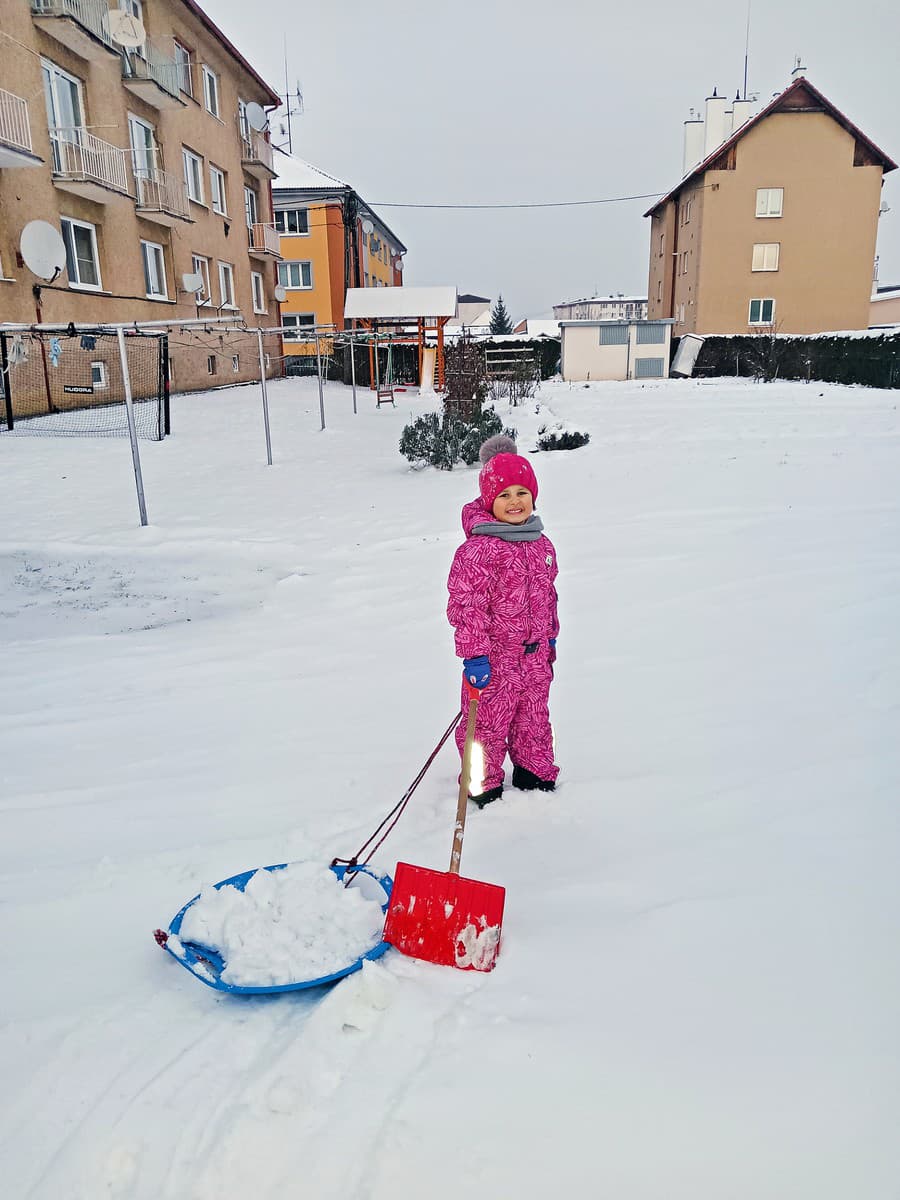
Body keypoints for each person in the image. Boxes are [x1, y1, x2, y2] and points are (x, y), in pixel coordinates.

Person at [447, 435, 560, 807]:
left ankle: (534, 772)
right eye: (504, 495)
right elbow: (467, 607)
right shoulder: (478, 551)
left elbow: (548, 598)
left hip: (534, 658)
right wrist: (474, 655)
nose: (514, 502)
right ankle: (483, 782)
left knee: (534, 722)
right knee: (486, 729)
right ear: (489, 501)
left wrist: (550, 639)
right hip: (494, 662)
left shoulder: (542, 545)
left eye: (521, 493)